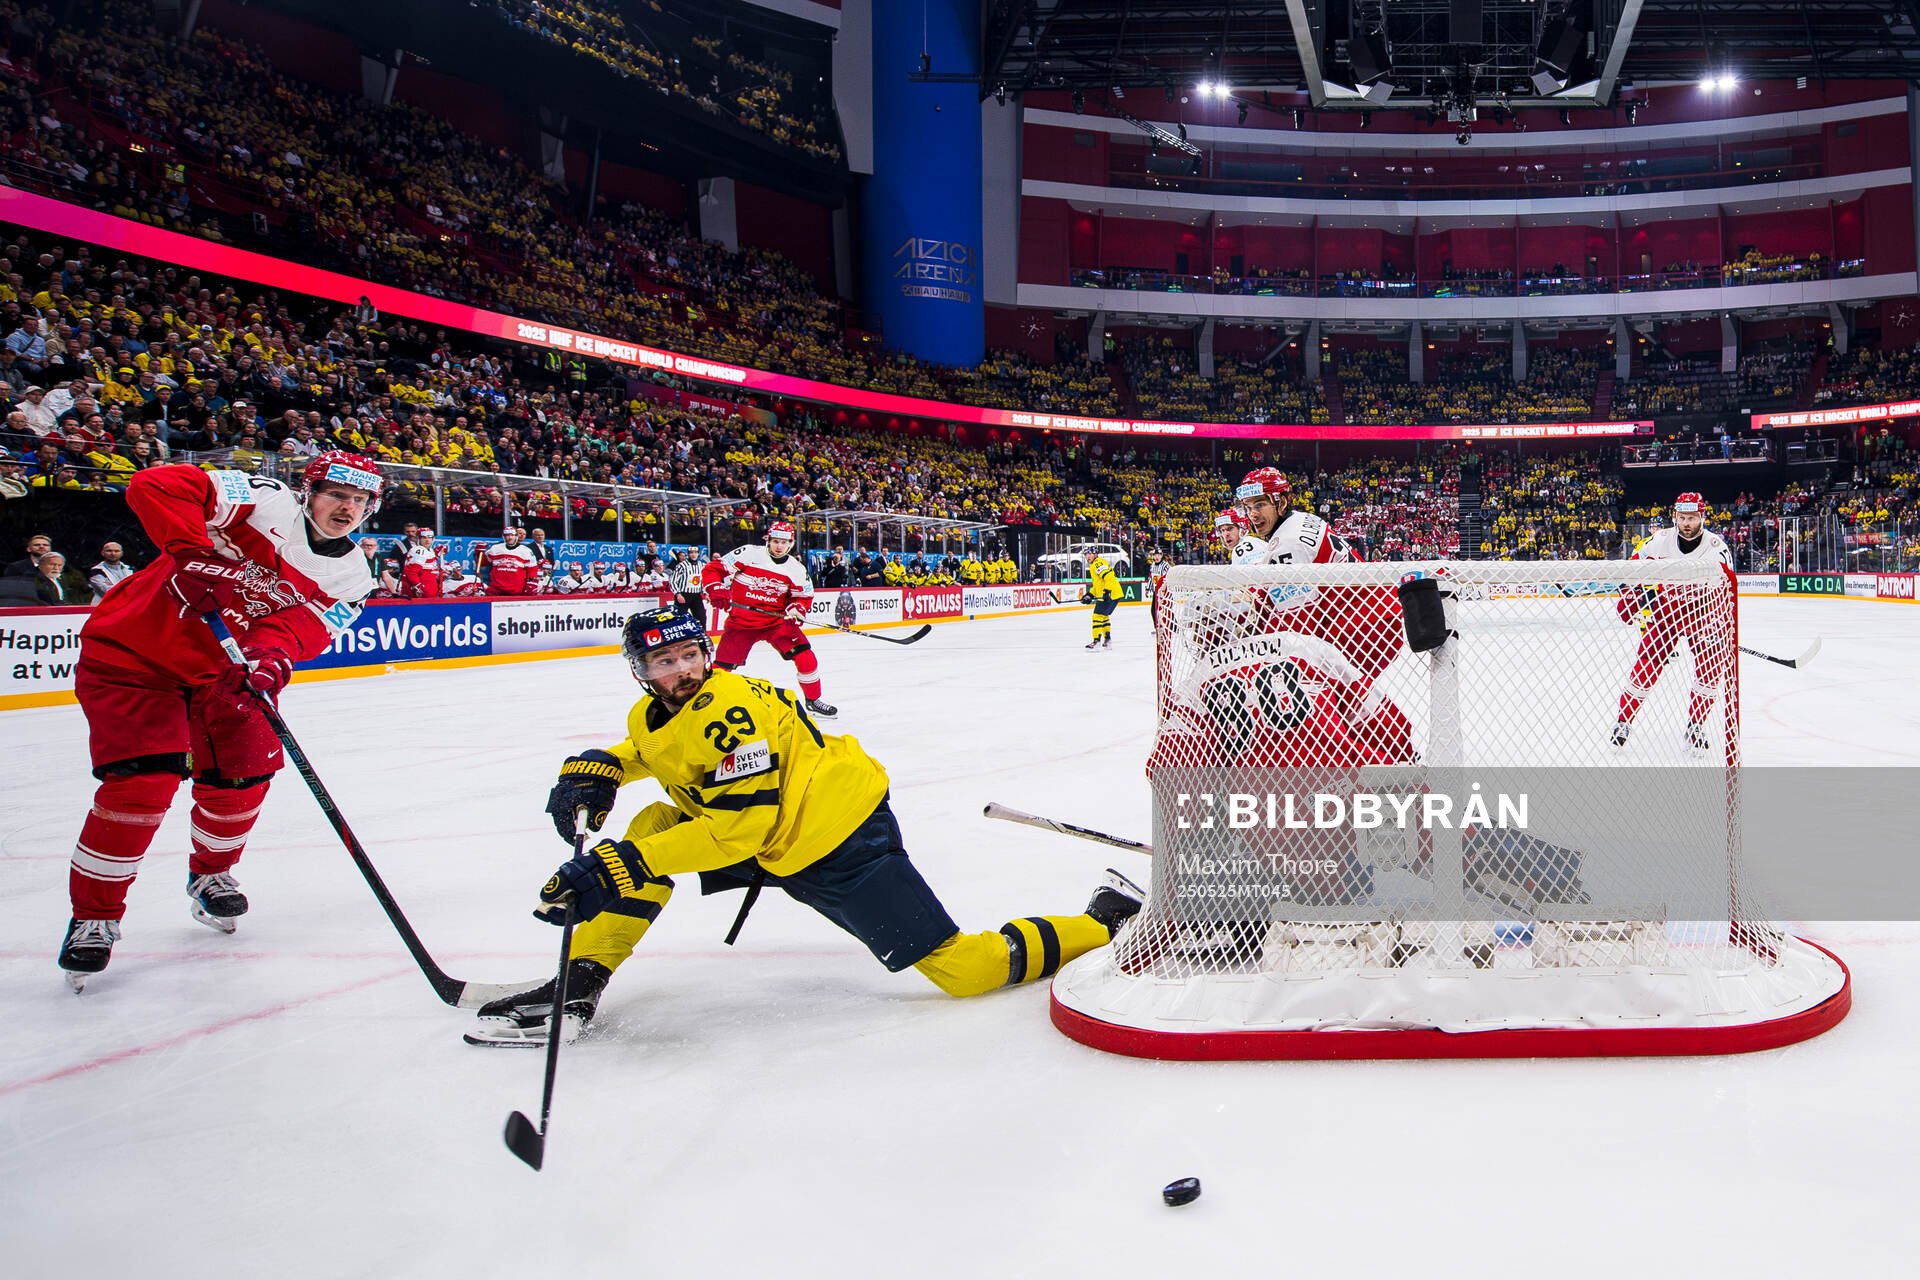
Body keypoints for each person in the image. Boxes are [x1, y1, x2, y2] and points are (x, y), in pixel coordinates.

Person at [463, 607, 1143, 1045]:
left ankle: (1107, 918)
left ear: (705, 653)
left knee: (963, 970)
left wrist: (617, 866)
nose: (681, 671)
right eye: (663, 663)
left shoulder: (729, 706)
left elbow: (740, 833)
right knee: (651, 825)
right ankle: (582, 981)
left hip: (840, 839)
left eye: (688, 657)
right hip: (775, 836)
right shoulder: (658, 714)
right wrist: (598, 766)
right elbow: (654, 751)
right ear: (641, 672)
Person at [55, 452, 384, 990]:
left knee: (242, 780)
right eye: (335, 495)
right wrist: (188, 553)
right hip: (135, 656)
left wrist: (270, 657)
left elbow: (304, 629)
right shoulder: (262, 500)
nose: (346, 508)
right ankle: (96, 916)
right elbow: (156, 483)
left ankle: (211, 874)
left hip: (224, 673)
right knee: (141, 786)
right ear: (310, 491)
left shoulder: (353, 575)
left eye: (358, 500)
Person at [1612, 492, 1734, 751]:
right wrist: (1632, 596)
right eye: (1682, 517)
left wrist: (1721, 624)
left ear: (1702, 517)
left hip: (1703, 613)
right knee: (1645, 667)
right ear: (1675, 517)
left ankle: (1696, 724)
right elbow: (1631, 571)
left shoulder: (1716, 548)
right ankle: (1623, 721)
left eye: (1692, 517)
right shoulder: (1659, 541)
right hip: (1665, 613)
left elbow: (1727, 592)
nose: (1687, 523)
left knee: (1710, 670)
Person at [700, 521, 836, 717]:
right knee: (721, 667)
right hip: (742, 623)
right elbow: (713, 569)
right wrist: (716, 589)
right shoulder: (749, 553)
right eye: (775, 541)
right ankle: (701, 701)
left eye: (783, 542)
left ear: (791, 543)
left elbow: (803, 597)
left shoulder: (796, 569)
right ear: (768, 540)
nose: (779, 546)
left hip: (776, 622)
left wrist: (796, 609)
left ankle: (813, 700)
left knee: (805, 656)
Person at [479, 526, 540, 595]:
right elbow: (483, 563)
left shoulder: (526, 551)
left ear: (516, 536)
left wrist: (532, 583)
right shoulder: (495, 548)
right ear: (503, 536)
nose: (510, 538)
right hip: (496, 590)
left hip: (516, 591)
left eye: (512, 535)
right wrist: (479, 553)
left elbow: (533, 569)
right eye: (507, 535)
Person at [1085, 553, 1123, 650]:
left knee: (1097, 616)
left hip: (1110, 593)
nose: (1088, 556)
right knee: (1104, 616)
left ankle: (1096, 641)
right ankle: (1107, 640)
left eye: (1090, 554)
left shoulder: (1098, 563)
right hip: (1114, 593)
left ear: (1095, 555)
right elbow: (1098, 584)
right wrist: (1090, 594)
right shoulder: (1095, 564)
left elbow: (1109, 576)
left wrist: (1107, 591)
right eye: (1086, 554)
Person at [402, 528, 445, 599]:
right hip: (423, 592)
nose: (427, 540)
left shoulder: (429, 550)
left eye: (429, 537)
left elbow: (426, 562)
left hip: (429, 589)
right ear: (419, 538)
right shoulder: (419, 550)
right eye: (424, 538)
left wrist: (437, 552)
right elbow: (410, 572)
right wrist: (418, 586)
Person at [667, 548, 703, 626]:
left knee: (701, 617)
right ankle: (679, 637)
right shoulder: (681, 565)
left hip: (696, 595)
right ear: (688, 554)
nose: (693, 554)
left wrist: (705, 593)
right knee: (679, 619)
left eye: (695, 552)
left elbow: (703, 580)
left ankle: (701, 636)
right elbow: (672, 580)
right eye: (691, 553)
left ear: (698, 554)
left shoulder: (702, 565)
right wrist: (678, 594)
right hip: (683, 595)